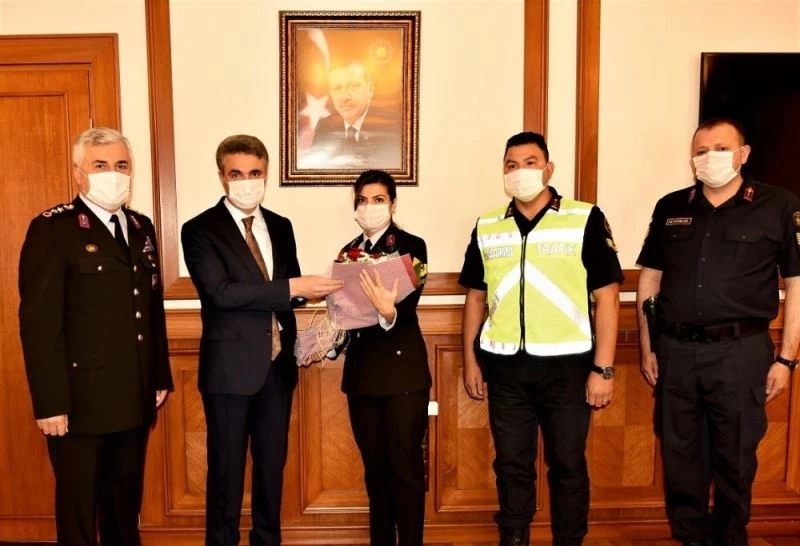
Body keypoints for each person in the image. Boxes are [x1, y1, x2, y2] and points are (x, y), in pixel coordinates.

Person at [636, 117, 800, 546]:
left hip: (740, 353)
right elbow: (650, 278)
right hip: (677, 352)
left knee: (735, 459)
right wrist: (648, 347)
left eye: (721, 149)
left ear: (743, 154)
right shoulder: (671, 206)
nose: (710, 158)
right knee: (680, 458)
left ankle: (730, 539)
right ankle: (690, 538)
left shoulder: (779, 205)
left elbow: (797, 284)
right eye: (702, 151)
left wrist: (787, 359)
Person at [459, 131, 623, 546]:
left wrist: (603, 369)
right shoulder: (487, 226)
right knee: (511, 464)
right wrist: (470, 361)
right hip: (505, 368)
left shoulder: (584, 218)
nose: (520, 172)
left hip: (568, 369)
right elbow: (475, 298)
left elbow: (607, 297)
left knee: (567, 464)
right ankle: (514, 538)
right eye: (511, 165)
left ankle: (569, 539)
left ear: (548, 169)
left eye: (530, 163)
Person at [181, 134, 343, 546]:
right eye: (236, 174)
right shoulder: (199, 230)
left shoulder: (281, 226)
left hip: (277, 369)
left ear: (266, 173)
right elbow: (221, 293)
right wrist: (293, 287)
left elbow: (289, 291)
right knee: (226, 475)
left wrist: (334, 288)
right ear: (222, 177)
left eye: (254, 173)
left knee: (272, 469)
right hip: (229, 372)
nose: (246, 181)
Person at [18, 127, 173, 546]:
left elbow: (150, 309)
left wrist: (158, 376)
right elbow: (39, 323)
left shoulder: (140, 226)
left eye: (121, 165)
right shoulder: (54, 229)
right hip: (78, 403)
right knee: (79, 514)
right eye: (100, 165)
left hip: (134, 396)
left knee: (124, 505)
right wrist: (50, 403)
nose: (113, 174)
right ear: (78, 173)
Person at [331, 169, 431, 546]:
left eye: (378, 199)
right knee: (375, 472)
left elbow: (408, 305)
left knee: (405, 470)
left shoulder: (412, 246)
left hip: (403, 375)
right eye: (362, 200)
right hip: (362, 377)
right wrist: (328, 335)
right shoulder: (347, 253)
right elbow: (344, 312)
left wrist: (388, 312)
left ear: (392, 204)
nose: (369, 207)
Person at [307, 61, 402, 169]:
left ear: (370, 90)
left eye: (353, 86)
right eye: (337, 88)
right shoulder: (325, 126)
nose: (344, 97)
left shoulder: (393, 126)